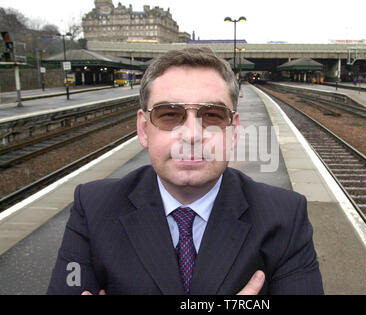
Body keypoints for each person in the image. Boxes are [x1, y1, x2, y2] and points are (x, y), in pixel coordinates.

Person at [47, 47, 323, 295]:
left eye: (213, 116)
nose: (192, 135)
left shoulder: (285, 217)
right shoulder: (94, 209)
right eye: (169, 114)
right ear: (144, 129)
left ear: (234, 130)